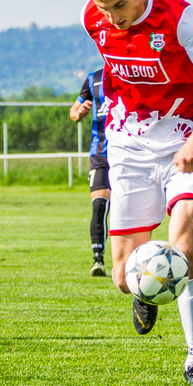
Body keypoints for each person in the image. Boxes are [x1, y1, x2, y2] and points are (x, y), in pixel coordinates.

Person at [80, 0, 193, 385]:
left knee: (184, 247)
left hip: (188, 139)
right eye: (103, 8)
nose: (113, 18)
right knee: (121, 277)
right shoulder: (92, 19)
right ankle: (143, 293)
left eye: (120, 5)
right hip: (129, 144)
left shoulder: (179, 18)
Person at [69, 68, 111, 277]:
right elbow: (74, 111)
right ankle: (98, 260)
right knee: (99, 205)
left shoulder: (135, 71)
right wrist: (79, 112)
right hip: (101, 153)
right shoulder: (94, 78)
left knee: (129, 208)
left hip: (131, 151)